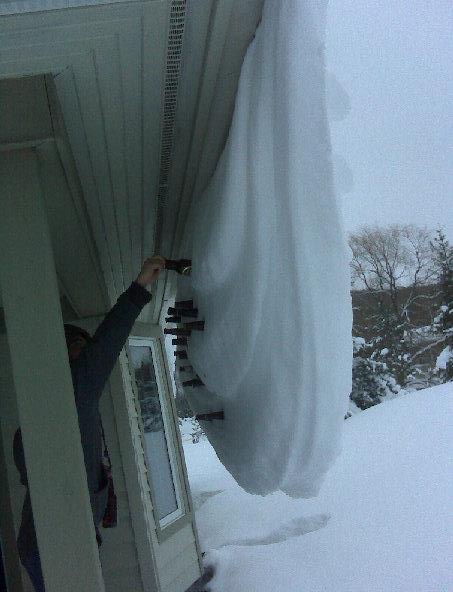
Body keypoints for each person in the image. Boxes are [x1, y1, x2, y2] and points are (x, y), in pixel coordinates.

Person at [13, 256, 165, 592]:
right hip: (54, 546)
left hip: (48, 543)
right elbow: (106, 346)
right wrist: (138, 290)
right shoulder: (74, 390)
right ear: (65, 355)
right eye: (81, 347)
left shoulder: (52, 405)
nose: (88, 354)